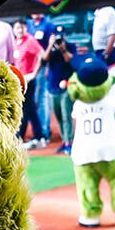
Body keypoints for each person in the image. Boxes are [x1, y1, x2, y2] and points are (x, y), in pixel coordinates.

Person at [12, 18, 46, 149]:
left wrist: (34, 73)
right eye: (17, 28)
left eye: (21, 27)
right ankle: (39, 136)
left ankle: (20, 136)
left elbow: (41, 54)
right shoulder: (16, 43)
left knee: (26, 107)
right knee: (30, 108)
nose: (19, 30)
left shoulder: (30, 40)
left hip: (28, 80)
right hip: (19, 80)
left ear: (26, 28)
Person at [27, 12, 57, 146]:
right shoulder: (28, 25)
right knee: (32, 101)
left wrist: (49, 67)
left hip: (43, 66)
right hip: (30, 68)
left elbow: (51, 47)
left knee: (42, 99)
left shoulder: (48, 24)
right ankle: (37, 132)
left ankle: (45, 131)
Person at [45, 24, 75, 153]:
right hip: (52, 86)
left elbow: (71, 60)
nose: (59, 38)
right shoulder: (50, 48)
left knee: (66, 115)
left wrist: (63, 49)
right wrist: (51, 45)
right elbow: (44, 59)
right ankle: (64, 140)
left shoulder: (70, 46)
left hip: (66, 86)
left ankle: (69, 142)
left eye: (61, 36)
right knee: (58, 116)